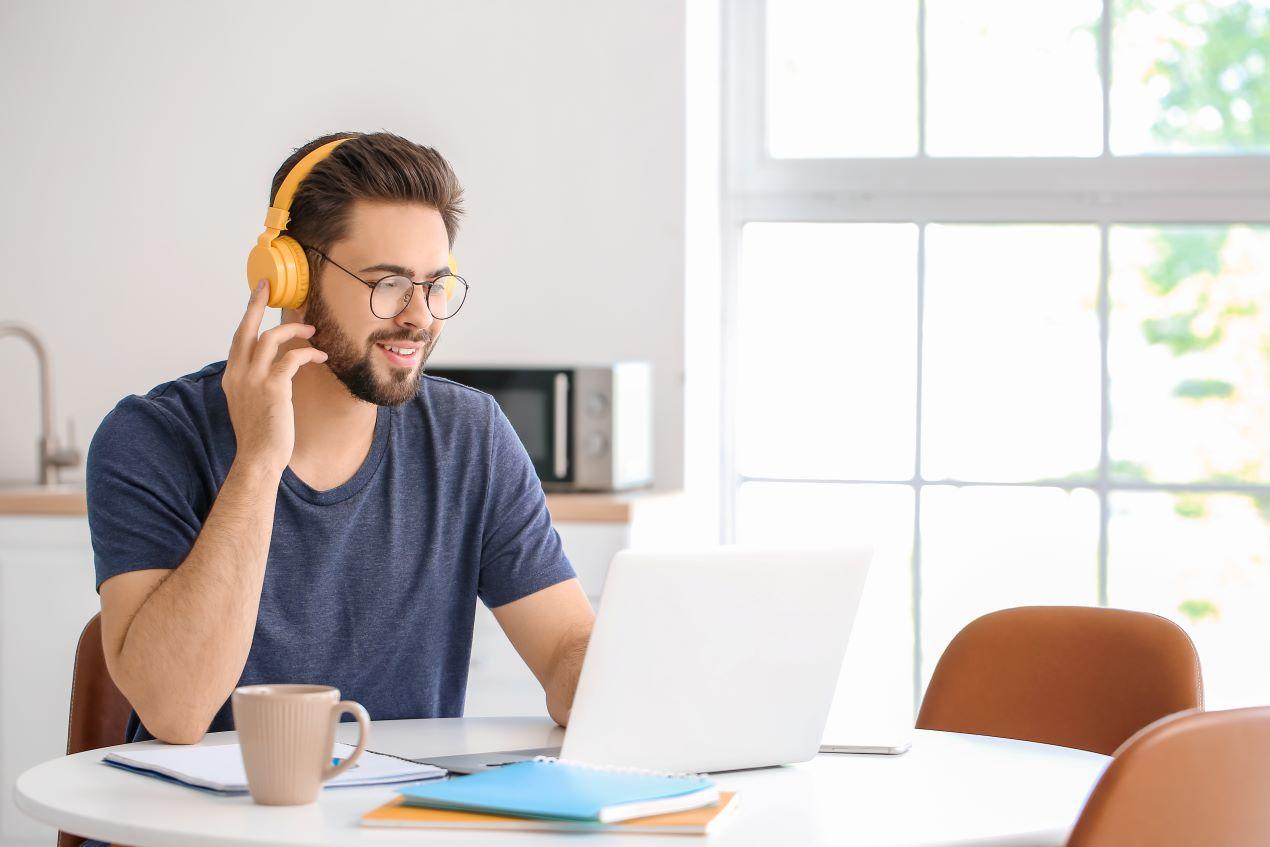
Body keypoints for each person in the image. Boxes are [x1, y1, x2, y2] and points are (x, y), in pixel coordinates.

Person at [85, 131, 595, 746]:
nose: (420, 315)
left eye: (435, 285)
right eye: (387, 284)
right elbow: (176, 711)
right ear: (290, 279)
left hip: (394, 825)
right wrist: (258, 462)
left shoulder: (472, 437)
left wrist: (626, 671)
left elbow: (567, 646)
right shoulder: (153, 438)